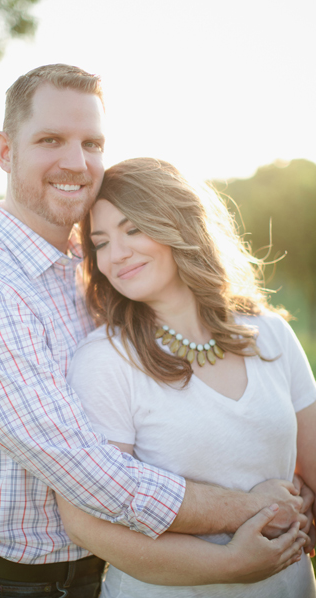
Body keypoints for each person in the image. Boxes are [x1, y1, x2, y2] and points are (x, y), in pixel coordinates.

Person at [0, 64, 310, 598]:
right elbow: (93, 475)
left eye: (92, 142)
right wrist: (256, 505)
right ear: (5, 152)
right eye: (51, 139)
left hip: (107, 573)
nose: (77, 163)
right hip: (21, 585)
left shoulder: (91, 266)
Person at [55, 157, 316, 597]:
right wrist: (230, 563)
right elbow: (90, 525)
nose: (116, 255)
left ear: (180, 223)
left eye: (133, 229)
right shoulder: (105, 361)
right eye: (100, 242)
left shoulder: (270, 333)